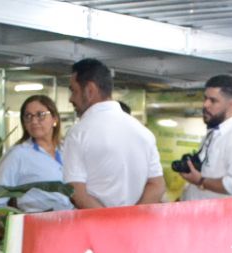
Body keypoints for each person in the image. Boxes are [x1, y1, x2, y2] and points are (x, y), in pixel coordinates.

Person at [61, 58, 164, 210]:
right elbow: (157, 185)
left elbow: (76, 192)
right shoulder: (143, 132)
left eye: (74, 91)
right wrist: (130, 220)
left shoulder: (78, 133)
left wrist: (111, 223)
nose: (71, 99)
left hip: (93, 230)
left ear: (90, 90)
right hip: (135, 230)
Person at [178, 75, 232, 202]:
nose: (205, 105)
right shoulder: (213, 134)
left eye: (213, 101)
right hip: (198, 217)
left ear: (231, 105)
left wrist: (201, 181)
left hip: (221, 220)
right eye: (205, 99)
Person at [0, 95, 71, 214]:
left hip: (74, 220)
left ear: (55, 119)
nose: (34, 121)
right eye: (28, 116)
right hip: (38, 224)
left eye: (40, 115)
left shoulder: (68, 149)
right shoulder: (18, 154)